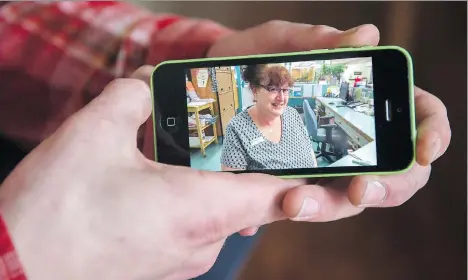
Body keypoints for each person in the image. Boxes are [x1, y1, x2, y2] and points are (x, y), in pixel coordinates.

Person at [0, 2, 451, 280]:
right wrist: (32, 257)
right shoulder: (244, 126)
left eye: (283, 91)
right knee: (221, 240)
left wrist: (200, 60)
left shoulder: (294, 124)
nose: (279, 98)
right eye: (271, 90)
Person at [221, 64, 318, 170]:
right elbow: (233, 182)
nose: (281, 98)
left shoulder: (292, 115)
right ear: (255, 90)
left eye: (285, 90)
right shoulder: (237, 129)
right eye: (273, 89)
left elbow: (311, 155)